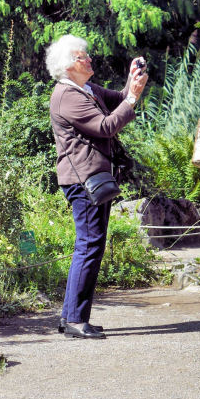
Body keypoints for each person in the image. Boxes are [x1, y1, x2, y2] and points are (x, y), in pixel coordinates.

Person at [46, 34, 148, 340]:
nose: (90, 59)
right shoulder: (67, 96)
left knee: (90, 246)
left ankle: (71, 317)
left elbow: (117, 99)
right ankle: (76, 320)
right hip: (83, 181)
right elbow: (106, 125)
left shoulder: (85, 89)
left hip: (92, 177)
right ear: (69, 65)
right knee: (89, 246)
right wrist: (133, 97)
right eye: (83, 57)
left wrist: (132, 81)